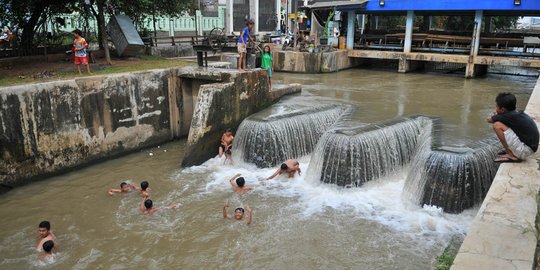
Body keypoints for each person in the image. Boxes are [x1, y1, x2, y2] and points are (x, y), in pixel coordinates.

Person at [487, 92, 539, 163]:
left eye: (496, 106)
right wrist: (498, 116)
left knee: (497, 125)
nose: (495, 108)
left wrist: (497, 115)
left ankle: (510, 154)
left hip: (524, 150)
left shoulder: (506, 116)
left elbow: (489, 120)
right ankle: (512, 150)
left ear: (502, 109)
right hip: (530, 147)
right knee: (503, 123)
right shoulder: (515, 113)